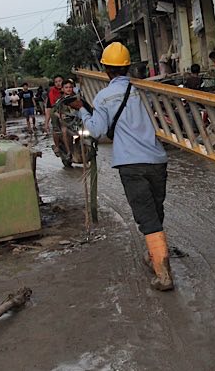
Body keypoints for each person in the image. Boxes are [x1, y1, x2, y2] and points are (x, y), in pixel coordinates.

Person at [68, 42, 172, 291]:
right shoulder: (144, 90)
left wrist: (82, 109)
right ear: (127, 67)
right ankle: (154, 255)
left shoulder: (103, 96)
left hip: (130, 163)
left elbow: (97, 130)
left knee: (147, 216)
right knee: (155, 210)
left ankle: (163, 275)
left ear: (106, 69)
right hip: (157, 159)